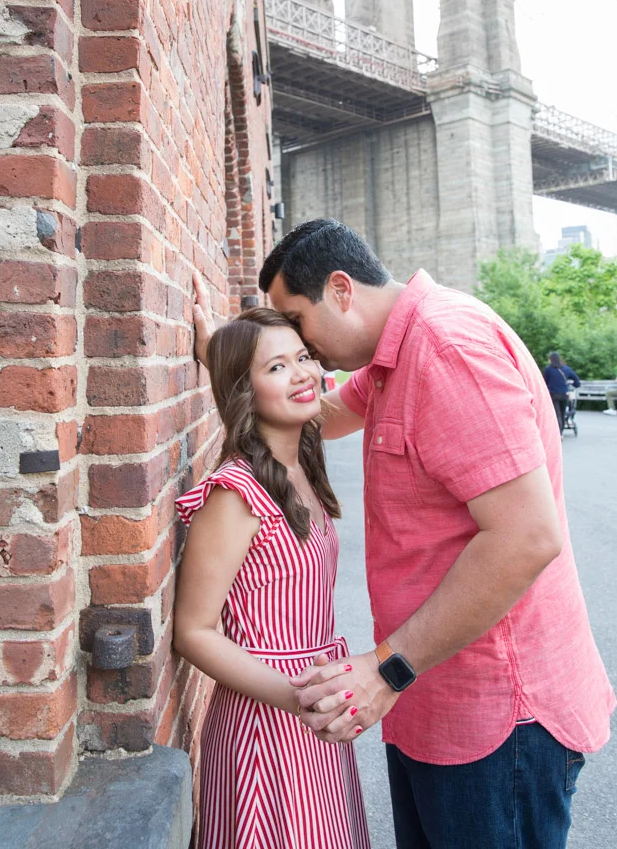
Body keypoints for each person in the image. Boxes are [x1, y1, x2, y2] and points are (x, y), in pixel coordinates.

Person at [194, 219, 615, 849]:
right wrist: (232, 367)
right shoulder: (395, 355)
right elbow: (313, 412)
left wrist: (387, 669)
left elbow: (527, 537)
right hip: (430, 696)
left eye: (298, 324)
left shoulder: (445, 349)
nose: (305, 349)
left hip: (495, 720)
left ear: (341, 290)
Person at [173, 307, 370, 849]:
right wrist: (299, 699)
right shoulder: (235, 495)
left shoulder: (299, 466)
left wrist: (216, 348)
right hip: (265, 725)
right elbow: (194, 631)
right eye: (277, 367)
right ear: (244, 390)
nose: (303, 373)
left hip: (317, 713)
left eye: (303, 357)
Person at [543, 351, 581, 435]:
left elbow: (544, 382)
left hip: (553, 395)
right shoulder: (566, 369)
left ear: (551, 360)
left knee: (557, 414)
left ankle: (559, 433)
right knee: (563, 413)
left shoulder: (548, 369)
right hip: (564, 394)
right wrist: (573, 384)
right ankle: (561, 432)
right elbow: (577, 380)